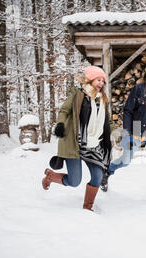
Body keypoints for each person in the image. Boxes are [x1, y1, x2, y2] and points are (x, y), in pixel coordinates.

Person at [100, 60, 146, 201]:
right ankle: (107, 171)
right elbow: (127, 111)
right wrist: (129, 133)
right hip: (135, 129)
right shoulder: (139, 89)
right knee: (126, 161)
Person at [42, 66, 112, 212]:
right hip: (75, 143)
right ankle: (51, 176)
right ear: (90, 79)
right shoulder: (78, 95)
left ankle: (88, 207)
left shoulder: (102, 100)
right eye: (98, 80)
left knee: (97, 176)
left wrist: (119, 133)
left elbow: (107, 122)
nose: (101, 83)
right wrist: (60, 124)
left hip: (93, 146)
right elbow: (64, 110)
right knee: (74, 181)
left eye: (103, 81)